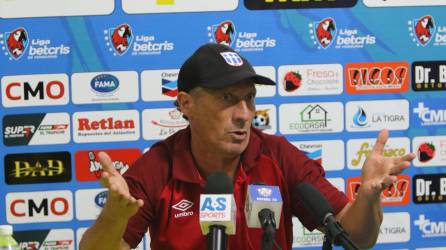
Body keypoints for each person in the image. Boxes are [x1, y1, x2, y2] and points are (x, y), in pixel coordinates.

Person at [79, 43, 415, 250]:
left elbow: (358, 235)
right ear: (186, 104)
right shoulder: (157, 167)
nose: (244, 115)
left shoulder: (279, 156)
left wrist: (369, 198)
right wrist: (112, 216)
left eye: (249, 99)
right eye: (227, 99)